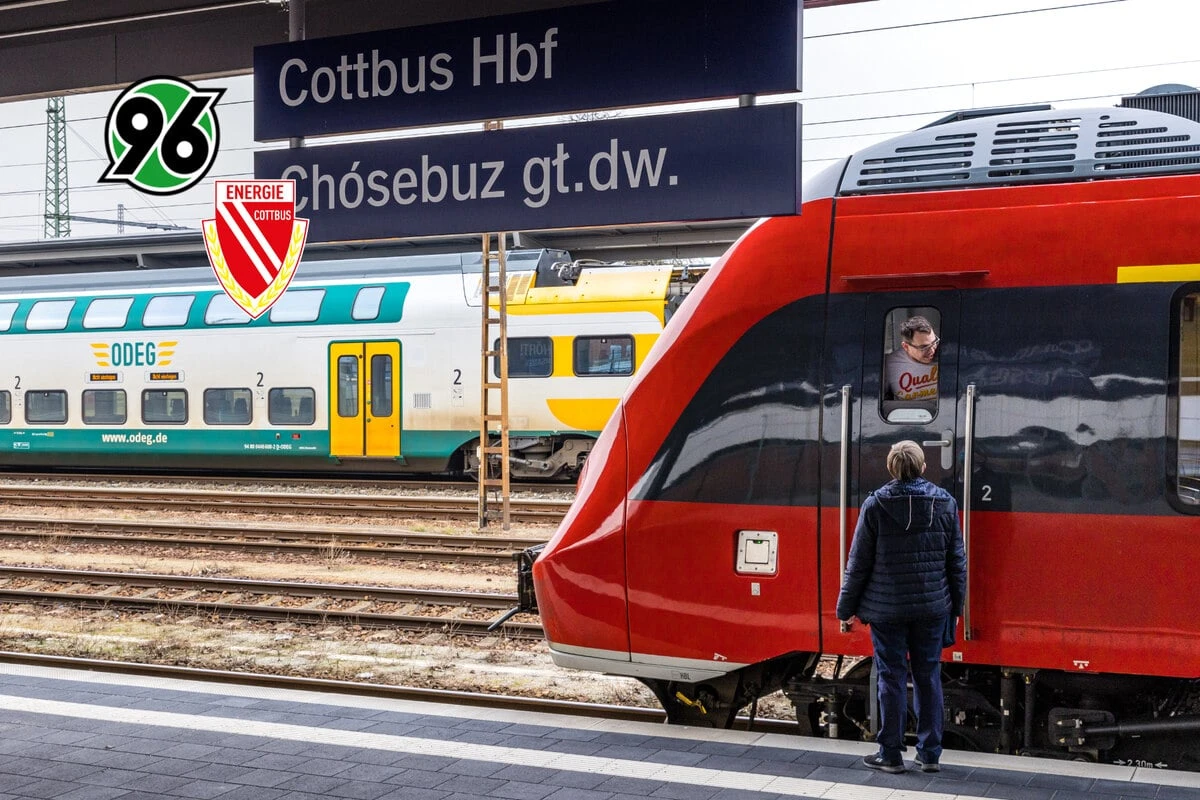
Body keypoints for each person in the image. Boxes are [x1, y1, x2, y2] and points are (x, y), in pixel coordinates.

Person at [836, 440, 967, 774]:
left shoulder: (876, 505)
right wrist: (956, 607)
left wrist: (844, 608)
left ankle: (891, 753)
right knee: (928, 676)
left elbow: (858, 563)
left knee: (891, 678)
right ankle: (930, 753)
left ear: (891, 469)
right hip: (931, 608)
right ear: (923, 467)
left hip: (887, 610)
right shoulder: (946, 504)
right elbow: (957, 562)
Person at [886, 315, 940, 402]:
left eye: (934, 342)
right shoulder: (890, 365)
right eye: (924, 347)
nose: (932, 350)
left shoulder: (947, 354)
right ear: (906, 346)